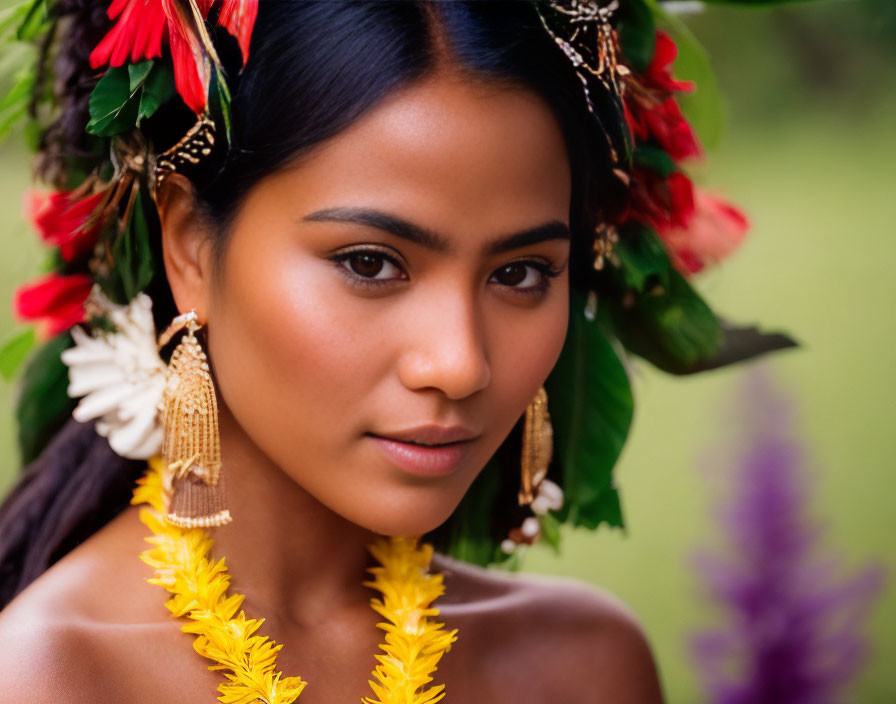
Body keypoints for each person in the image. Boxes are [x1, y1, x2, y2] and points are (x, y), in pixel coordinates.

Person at [0, 1, 796, 702]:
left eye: (520, 274)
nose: (460, 364)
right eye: (371, 263)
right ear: (190, 251)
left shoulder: (584, 670)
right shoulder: (49, 679)